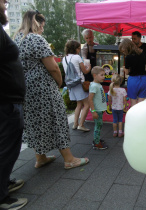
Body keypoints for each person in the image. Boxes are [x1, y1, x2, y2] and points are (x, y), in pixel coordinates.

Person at [14, 10, 89, 170]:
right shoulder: (36, 38)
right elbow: (53, 67)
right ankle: (69, 159)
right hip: (43, 88)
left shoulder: (17, 39)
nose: (43, 29)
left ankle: (40, 157)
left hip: (26, 88)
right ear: (37, 23)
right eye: (42, 25)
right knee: (57, 118)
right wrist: (59, 82)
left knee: (35, 121)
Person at [0, 0, 28, 209]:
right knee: (6, 148)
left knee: (8, 147)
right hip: (6, 101)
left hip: (9, 100)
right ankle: (1, 197)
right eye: (3, 1)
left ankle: (4, 182)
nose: (6, 3)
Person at [63, 40, 91, 132]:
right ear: (75, 48)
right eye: (79, 48)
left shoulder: (64, 58)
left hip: (71, 84)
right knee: (87, 104)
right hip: (79, 83)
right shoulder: (77, 57)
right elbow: (85, 71)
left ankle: (75, 124)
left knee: (79, 104)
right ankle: (81, 124)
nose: (79, 50)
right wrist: (89, 67)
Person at [119, 38, 146, 107]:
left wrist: (124, 68)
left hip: (133, 80)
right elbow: (145, 68)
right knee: (141, 104)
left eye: (123, 51)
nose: (123, 52)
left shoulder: (128, 57)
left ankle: (133, 117)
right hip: (143, 79)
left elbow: (127, 72)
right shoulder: (142, 54)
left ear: (126, 48)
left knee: (133, 104)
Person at [88, 66, 108, 150]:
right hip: (97, 111)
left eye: (104, 75)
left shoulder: (97, 84)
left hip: (100, 110)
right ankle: (96, 144)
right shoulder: (94, 86)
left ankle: (97, 139)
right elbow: (90, 99)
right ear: (95, 75)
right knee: (98, 127)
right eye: (102, 75)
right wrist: (93, 111)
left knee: (99, 125)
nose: (104, 76)